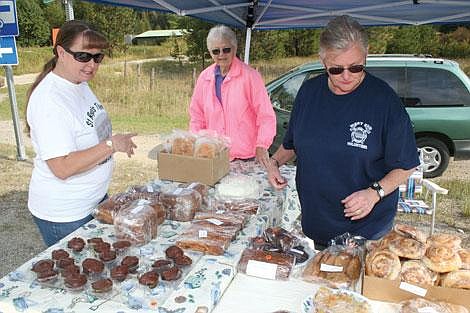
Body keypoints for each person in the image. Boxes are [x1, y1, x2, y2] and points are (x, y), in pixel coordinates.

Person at [267, 15, 420, 248]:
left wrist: (374, 193)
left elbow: (406, 164)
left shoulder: (384, 100)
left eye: (356, 67)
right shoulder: (309, 92)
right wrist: (274, 163)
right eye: (336, 69)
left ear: (366, 55)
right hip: (318, 222)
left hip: (365, 230)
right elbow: (292, 145)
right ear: (323, 61)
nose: (347, 76)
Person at [26, 20, 137, 247]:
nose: (92, 65)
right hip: (67, 214)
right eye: (83, 56)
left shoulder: (78, 82)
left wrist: (112, 143)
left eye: (98, 57)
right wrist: (111, 145)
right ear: (61, 52)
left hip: (92, 200)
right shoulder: (50, 101)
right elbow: (62, 167)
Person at [189, 24, 276, 168]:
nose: (221, 55)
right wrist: (196, 142)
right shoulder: (204, 77)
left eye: (226, 49)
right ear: (210, 53)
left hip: (247, 157)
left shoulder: (250, 76)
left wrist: (262, 144)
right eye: (216, 51)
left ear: (234, 49)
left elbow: (265, 116)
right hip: (214, 155)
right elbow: (197, 116)